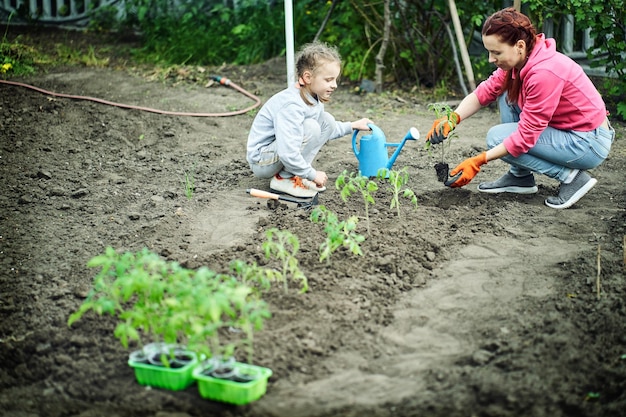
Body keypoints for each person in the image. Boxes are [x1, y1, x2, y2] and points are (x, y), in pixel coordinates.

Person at [426, 7, 615, 209]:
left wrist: (478, 160)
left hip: (588, 143)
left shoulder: (544, 72)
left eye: (496, 52)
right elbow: (486, 91)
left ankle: (572, 178)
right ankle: (520, 177)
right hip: (571, 132)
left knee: (496, 138)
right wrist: (454, 118)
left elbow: (525, 137)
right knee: (507, 94)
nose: (491, 59)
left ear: (519, 45)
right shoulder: (521, 61)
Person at [247, 42, 373, 198]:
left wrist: (353, 126)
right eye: (328, 80)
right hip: (262, 160)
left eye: (335, 80)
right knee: (311, 127)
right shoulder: (292, 105)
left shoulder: (312, 98)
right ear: (307, 77)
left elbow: (326, 130)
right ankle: (283, 178)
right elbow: (288, 152)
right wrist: (311, 174)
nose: (334, 85)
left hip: (279, 153)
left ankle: (293, 174)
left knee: (327, 121)